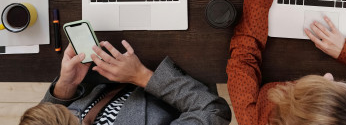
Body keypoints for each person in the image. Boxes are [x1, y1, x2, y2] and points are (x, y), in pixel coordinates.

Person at [19, 39, 231, 125]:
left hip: (109, 70)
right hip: (178, 73)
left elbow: (47, 117)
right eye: (74, 117)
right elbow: (213, 110)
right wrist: (141, 76)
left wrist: (65, 86)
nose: (76, 113)